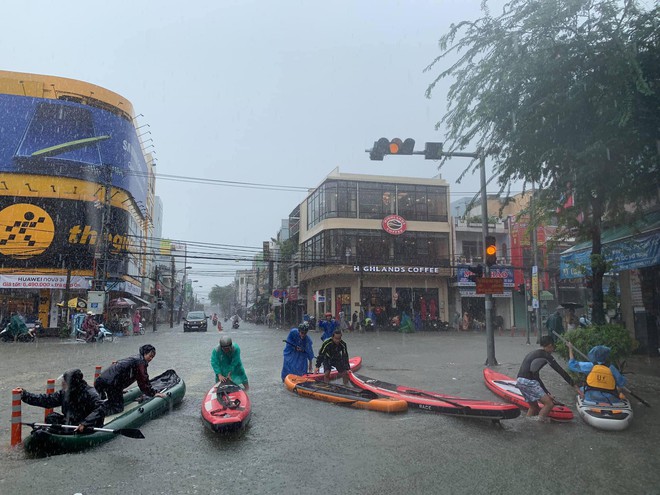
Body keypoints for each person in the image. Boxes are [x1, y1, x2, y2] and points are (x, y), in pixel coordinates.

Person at [516, 336, 583, 422]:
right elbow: (560, 371)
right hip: (529, 381)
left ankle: (528, 424)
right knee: (549, 404)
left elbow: (536, 376)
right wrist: (575, 386)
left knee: (534, 407)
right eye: (553, 347)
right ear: (550, 346)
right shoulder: (546, 356)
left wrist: (547, 393)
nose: (553, 350)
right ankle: (539, 426)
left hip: (520, 381)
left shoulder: (534, 353)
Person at [18, 369, 104, 432]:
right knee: (51, 417)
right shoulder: (64, 393)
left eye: (65, 382)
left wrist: (85, 423)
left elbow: (100, 409)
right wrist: (25, 395)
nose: (62, 383)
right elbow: (47, 400)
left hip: (86, 425)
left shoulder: (90, 393)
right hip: (71, 422)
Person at [94, 344, 166, 415]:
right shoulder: (140, 362)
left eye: (152, 357)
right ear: (145, 353)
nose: (150, 359)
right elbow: (143, 380)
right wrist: (153, 393)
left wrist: (119, 389)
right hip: (111, 383)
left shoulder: (134, 358)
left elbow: (120, 373)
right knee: (117, 407)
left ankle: (94, 410)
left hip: (101, 381)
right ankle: (96, 414)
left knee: (102, 400)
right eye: (150, 356)